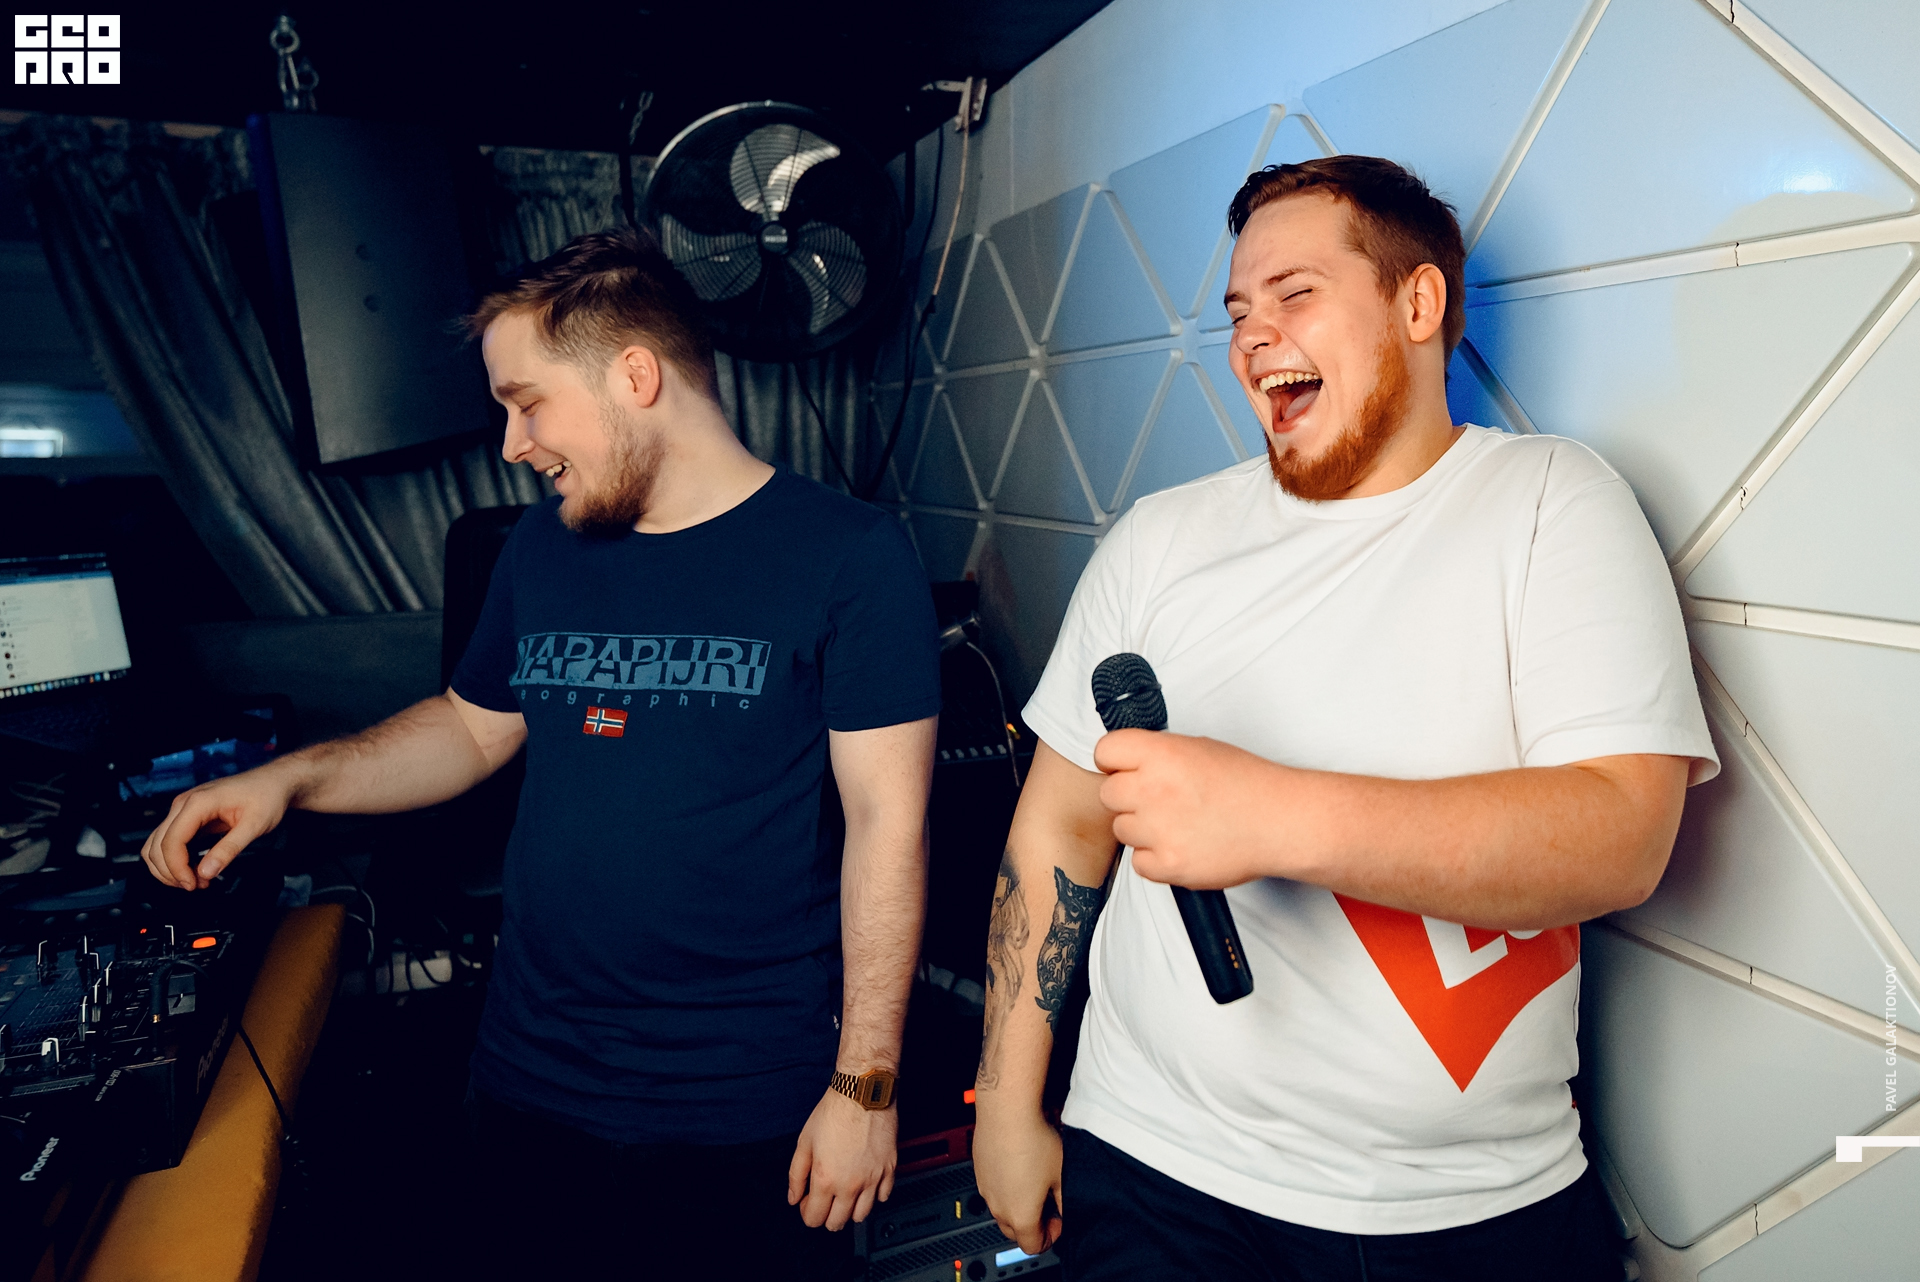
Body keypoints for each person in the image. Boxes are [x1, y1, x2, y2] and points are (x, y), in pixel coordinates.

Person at [139, 229, 941, 1278]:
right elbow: (471, 726)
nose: (514, 444)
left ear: (636, 377)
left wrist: (864, 1087)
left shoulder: (850, 554)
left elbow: (888, 827)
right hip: (526, 1080)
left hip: (742, 1105)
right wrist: (292, 779)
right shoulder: (543, 544)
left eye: (527, 403)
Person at [971, 156, 1717, 1281]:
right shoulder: (1159, 541)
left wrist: (1273, 816)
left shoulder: (1551, 502)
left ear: (1418, 305)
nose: (1252, 337)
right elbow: (1061, 831)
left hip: (1462, 1209)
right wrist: (1006, 1103)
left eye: (1295, 294)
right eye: (1238, 312)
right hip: (1151, 1168)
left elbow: (1624, 835)